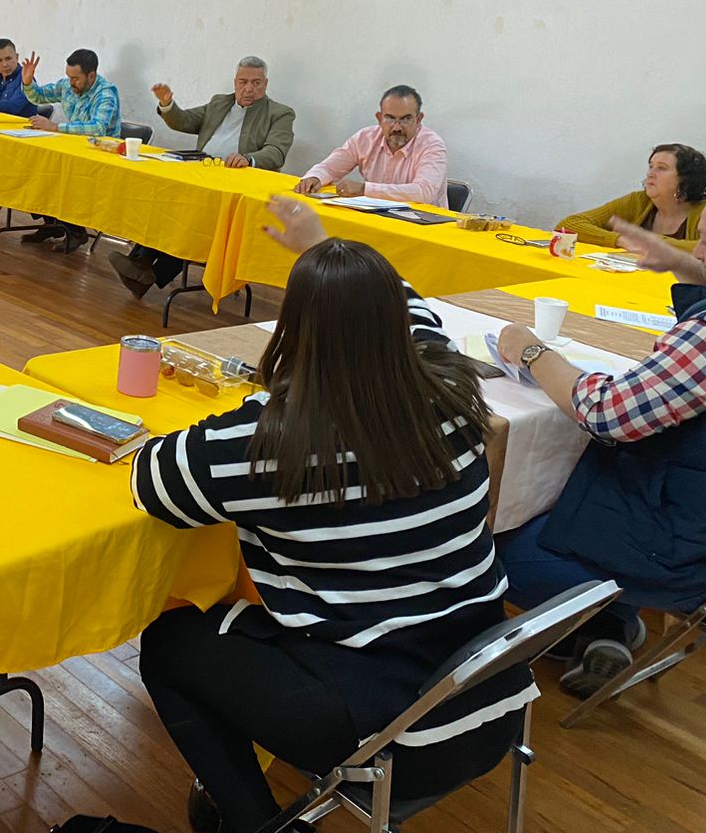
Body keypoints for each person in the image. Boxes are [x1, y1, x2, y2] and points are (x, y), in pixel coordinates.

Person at [134, 196, 532, 833]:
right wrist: (326, 249)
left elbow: (152, 480)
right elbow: (417, 314)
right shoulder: (454, 390)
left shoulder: (273, 442)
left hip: (392, 735)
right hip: (489, 698)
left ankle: (254, 823)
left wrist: (257, 406)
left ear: (293, 331)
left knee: (170, 643)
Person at [495, 174, 706, 696]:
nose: (698, 252)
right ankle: (609, 625)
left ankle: (606, 615)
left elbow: (606, 412)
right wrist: (684, 264)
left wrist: (531, 352)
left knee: (495, 536)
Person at [111, 56, 297, 298]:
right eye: (243, 82)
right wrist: (167, 104)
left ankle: (148, 271)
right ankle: (141, 265)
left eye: (256, 83)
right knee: (170, 200)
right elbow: (185, 121)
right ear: (235, 82)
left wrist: (249, 158)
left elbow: (277, 151)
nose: (249, 88)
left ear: (266, 83)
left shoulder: (280, 113)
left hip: (237, 186)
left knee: (194, 215)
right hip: (202, 173)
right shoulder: (220, 102)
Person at [18, 48, 122, 253]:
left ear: (91, 76)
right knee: (38, 168)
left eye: (75, 78)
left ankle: (76, 231)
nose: (70, 82)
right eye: (68, 76)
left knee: (61, 177)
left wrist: (55, 127)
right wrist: (28, 82)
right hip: (73, 149)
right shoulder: (67, 85)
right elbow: (38, 96)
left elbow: (98, 128)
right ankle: (53, 224)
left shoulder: (106, 93)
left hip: (100, 157)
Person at [294, 85, 448, 208]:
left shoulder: (432, 145)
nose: (397, 127)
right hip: (376, 218)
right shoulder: (365, 138)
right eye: (390, 118)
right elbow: (329, 168)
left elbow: (423, 192)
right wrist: (315, 177)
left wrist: (364, 190)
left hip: (423, 226)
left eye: (406, 119)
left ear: (419, 119)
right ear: (379, 118)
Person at [557, 143, 706, 249]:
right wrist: (619, 239)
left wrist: (645, 241)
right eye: (651, 166)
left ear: (685, 178)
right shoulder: (639, 201)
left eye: (662, 168)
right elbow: (569, 224)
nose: (651, 173)